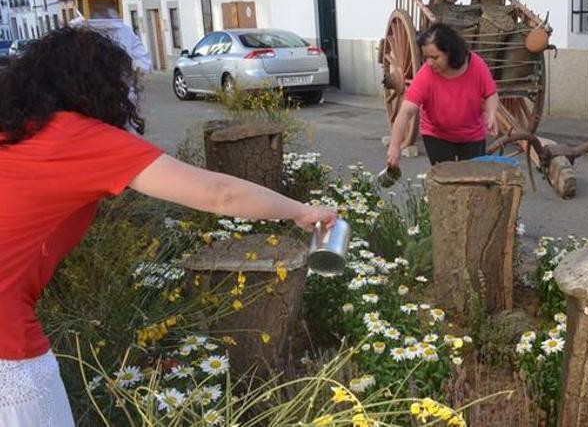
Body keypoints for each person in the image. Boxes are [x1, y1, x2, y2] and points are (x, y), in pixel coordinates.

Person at [0, 28, 336, 425]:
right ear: (97, 85)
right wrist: (300, 211)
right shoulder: (75, 138)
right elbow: (218, 194)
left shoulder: (16, 134)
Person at [385, 23, 499, 167]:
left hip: (473, 135)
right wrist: (394, 147)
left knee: (472, 182)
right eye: (426, 57)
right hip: (437, 136)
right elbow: (406, 112)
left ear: (450, 52)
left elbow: (491, 94)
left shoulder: (476, 65)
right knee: (445, 181)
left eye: (435, 57)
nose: (429, 63)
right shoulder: (426, 75)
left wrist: (492, 113)